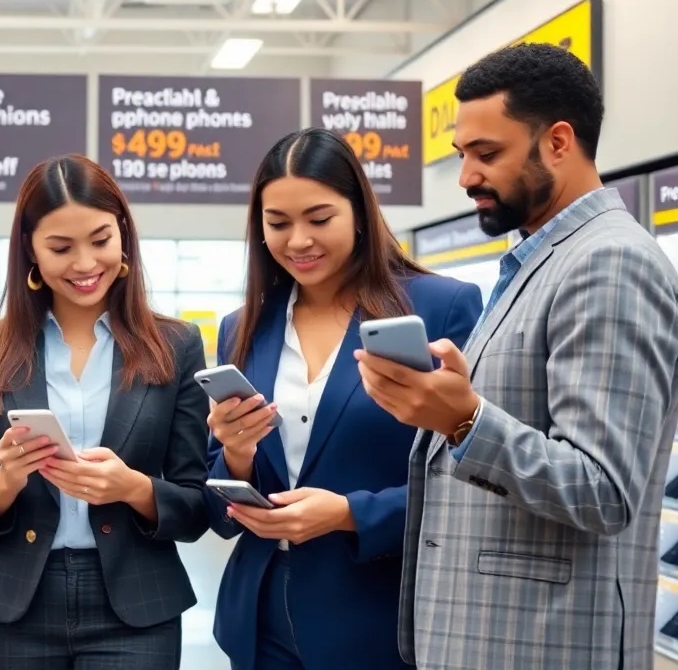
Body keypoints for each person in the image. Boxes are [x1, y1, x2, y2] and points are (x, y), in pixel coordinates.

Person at [355, 43, 678, 670]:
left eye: (488, 154)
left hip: (543, 645)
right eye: (463, 155)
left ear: (559, 142)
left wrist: (462, 421)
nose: (466, 178)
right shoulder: (540, 262)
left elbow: (602, 491)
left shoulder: (610, 264)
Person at [203, 128, 482, 670]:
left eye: (319, 218)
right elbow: (218, 506)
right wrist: (234, 453)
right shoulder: (245, 327)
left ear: (359, 211)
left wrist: (350, 514)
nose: (298, 241)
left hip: (379, 614)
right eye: (277, 223)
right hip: (260, 619)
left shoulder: (440, 307)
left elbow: (475, 479)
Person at [0, 154, 211, 670]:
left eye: (100, 240)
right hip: (16, 604)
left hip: (137, 605)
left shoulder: (175, 344)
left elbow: (197, 507)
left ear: (124, 238)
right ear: (31, 252)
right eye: (61, 248)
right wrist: (6, 480)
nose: (86, 264)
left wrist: (131, 488)